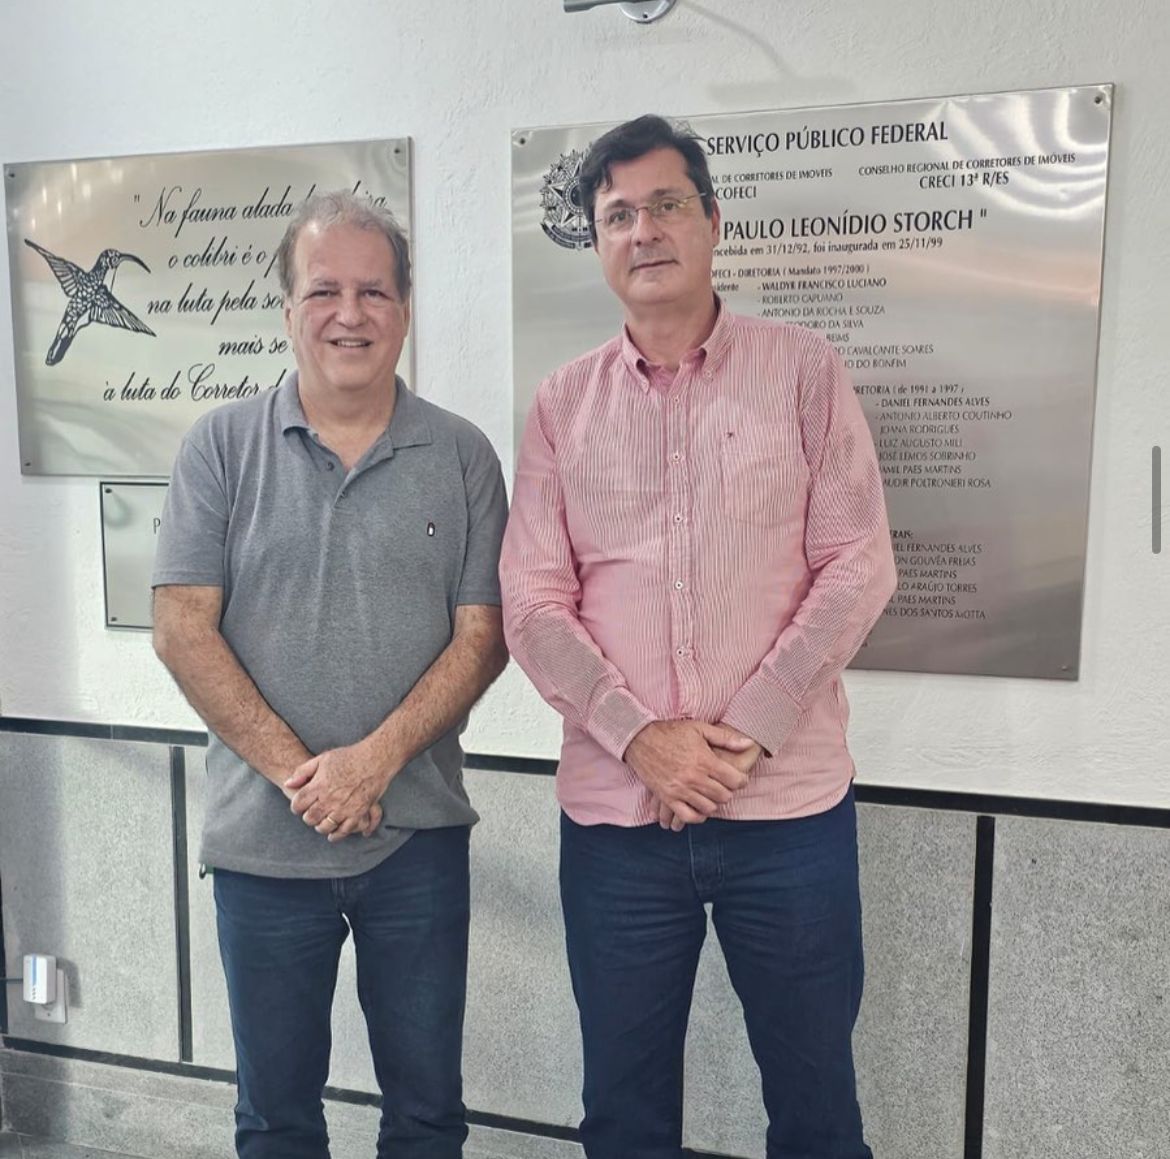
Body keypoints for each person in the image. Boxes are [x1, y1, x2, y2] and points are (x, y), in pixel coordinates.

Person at [499, 115, 896, 1159]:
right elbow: (531, 601)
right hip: (617, 829)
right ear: (597, 243)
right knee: (623, 1118)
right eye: (618, 215)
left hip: (789, 817)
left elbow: (858, 564)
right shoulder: (561, 406)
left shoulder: (802, 371)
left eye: (667, 204)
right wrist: (641, 738)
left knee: (817, 1115)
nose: (645, 230)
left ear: (713, 220)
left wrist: (749, 727)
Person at [152, 189, 508, 1159]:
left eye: (374, 291)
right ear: (287, 310)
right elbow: (182, 628)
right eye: (324, 291)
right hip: (262, 850)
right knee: (276, 1120)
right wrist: (303, 776)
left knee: (427, 1116)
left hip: (417, 842)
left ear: (405, 309)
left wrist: (372, 765)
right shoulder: (218, 448)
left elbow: (484, 635)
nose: (350, 314)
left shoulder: (463, 456)